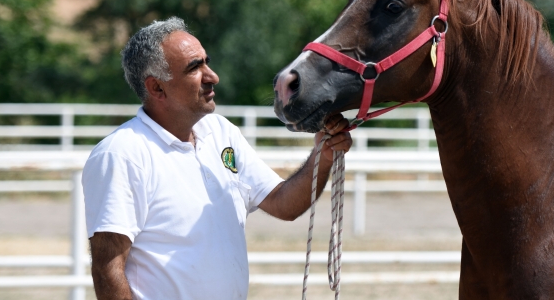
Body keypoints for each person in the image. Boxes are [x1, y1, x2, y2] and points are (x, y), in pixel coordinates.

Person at [82, 17, 352, 300]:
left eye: (206, 62)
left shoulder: (221, 132)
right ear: (157, 88)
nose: (212, 76)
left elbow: (284, 204)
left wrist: (322, 156)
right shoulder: (122, 153)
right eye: (194, 68)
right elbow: (107, 270)